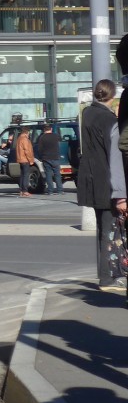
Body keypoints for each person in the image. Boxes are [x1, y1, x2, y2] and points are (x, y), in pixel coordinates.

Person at [75, 79, 128, 291]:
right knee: (110, 229)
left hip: (91, 179)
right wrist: (121, 193)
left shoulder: (87, 114)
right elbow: (115, 159)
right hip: (107, 181)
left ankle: (103, 273)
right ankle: (108, 277)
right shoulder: (110, 121)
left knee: (102, 228)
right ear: (113, 97)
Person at [35, 122, 62, 195]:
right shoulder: (56, 136)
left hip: (46, 158)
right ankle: (59, 190)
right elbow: (60, 140)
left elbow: (40, 149)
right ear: (51, 129)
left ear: (44, 130)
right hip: (55, 157)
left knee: (48, 175)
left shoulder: (42, 137)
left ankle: (50, 191)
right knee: (57, 175)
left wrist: (41, 157)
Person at [14, 126, 35, 197]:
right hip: (25, 159)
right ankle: (25, 191)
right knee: (26, 175)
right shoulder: (25, 139)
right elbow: (27, 151)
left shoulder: (19, 138)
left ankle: (21, 190)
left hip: (20, 159)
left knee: (22, 175)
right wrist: (31, 160)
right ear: (27, 132)